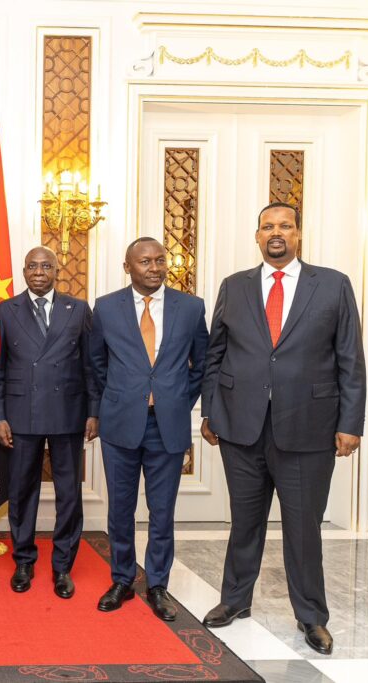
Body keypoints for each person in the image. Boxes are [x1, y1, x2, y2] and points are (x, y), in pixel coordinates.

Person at [199, 202, 366, 655]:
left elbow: (350, 358)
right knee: (244, 523)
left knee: (302, 528)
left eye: (285, 226)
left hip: (309, 429)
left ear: (298, 234)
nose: (277, 233)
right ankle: (235, 601)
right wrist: (209, 411)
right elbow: (215, 355)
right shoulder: (234, 287)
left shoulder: (331, 284)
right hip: (240, 427)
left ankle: (312, 616)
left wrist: (352, 423)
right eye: (268, 227)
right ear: (257, 236)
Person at [90, 237, 207, 621]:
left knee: (162, 511)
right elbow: (96, 365)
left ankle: (158, 585)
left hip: (167, 427)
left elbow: (202, 365)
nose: (155, 267)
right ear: (128, 267)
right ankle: (122, 579)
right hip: (120, 425)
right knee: (120, 510)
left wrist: (175, 400)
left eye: (160, 260)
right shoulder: (106, 308)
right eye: (145, 261)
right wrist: (121, 399)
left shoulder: (190, 308)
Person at [0, 246, 99, 597]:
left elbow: (91, 365)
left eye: (46, 266)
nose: (39, 271)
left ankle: (63, 565)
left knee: (69, 495)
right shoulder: (5, 310)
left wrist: (94, 411)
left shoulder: (78, 309)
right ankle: (24, 560)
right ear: (23, 271)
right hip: (20, 415)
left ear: (56, 271)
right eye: (32, 266)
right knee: (21, 492)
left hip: (68, 413)